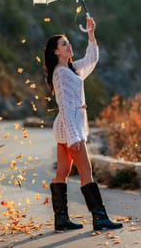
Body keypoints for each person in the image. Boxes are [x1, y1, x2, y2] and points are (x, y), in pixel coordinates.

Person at [44, 17, 123, 232]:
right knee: (86, 172)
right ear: (55, 52)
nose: (68, 45)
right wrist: (74, 137)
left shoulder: (71, 69)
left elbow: (92, 58)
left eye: (68, 42)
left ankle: (61, 220)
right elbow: (65, 107)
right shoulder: (60, 74)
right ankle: (100, 218)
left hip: (66, 128)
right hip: (70, 128)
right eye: (63, 44)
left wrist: (91, 32)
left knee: (62, 171)